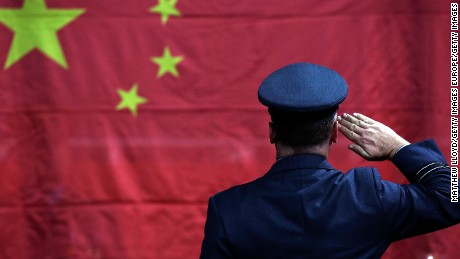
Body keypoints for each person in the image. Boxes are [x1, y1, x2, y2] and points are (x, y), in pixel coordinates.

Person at [200, 63, 460, 258]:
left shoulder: (228, 210)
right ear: (335, 132)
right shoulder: (368, 197)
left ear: (272, 132)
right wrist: (397, 147)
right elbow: (452, 199)